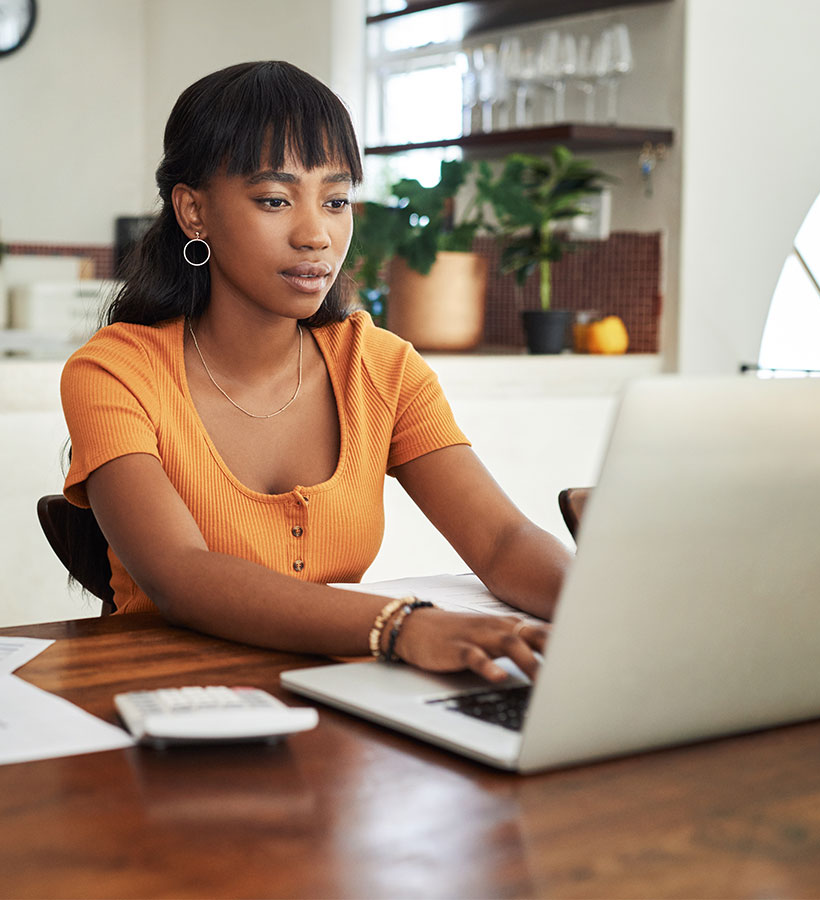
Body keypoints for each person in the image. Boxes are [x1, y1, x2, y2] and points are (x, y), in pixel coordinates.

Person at [60, 61, 572, 683]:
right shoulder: (116, 371)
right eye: (275, 200)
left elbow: (502, 542)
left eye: (336, 201)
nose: (316, 235)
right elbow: (180, 576)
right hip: (167, 712)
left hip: (342, 705)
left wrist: (605, 611)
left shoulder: (379, 367)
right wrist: (400, 626)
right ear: (194, 212)